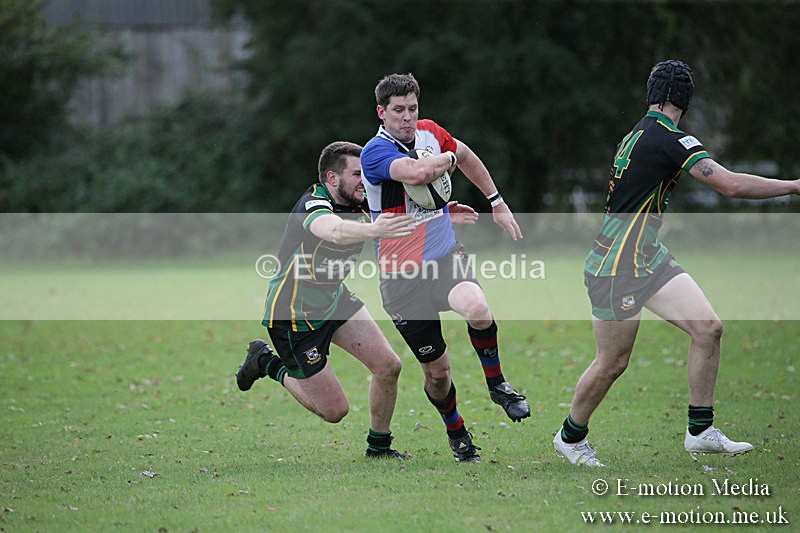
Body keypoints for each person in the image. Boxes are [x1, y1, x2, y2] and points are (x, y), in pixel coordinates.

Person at [553, 59, 800, 467]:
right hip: (617, 266)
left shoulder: (638, 133)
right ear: (683, 99)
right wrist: (793, 186)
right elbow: (730, 185)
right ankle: (570, 437)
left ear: (653, 94)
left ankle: (700, 431)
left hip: (647, 257)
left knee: (708, 328)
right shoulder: (668, 137)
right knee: (613, 362)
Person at [360, 73, 530, 463]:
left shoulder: (430, 133)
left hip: (443, 257)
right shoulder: (375, 151)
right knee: (438, 374)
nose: (407, 117)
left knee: (477, 307)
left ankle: (499, 385)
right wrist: (449, 159)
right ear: (381, 113)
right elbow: (418, 174)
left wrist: (497, 201)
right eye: (398, 110)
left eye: (412, 108)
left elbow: (467, 156)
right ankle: (457, 434)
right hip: (400, 277)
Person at [236, 141, 417, 459]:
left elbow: (407, 209)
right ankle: (266, 362)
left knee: (389, 366)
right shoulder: (313, 204)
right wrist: (374, 229)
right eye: (357, 174)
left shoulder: (364, 200)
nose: (366, 180)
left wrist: (443, 213)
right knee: (335, 411)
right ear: (332, 179)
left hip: (335, 298)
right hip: (293, 314)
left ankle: (379, 449)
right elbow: (333, 231)